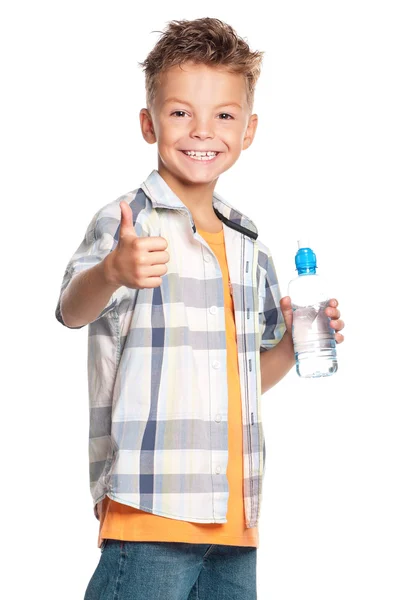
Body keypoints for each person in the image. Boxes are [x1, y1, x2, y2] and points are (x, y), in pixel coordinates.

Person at [55, 17, 345, 600]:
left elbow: (242, 379)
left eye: (224, 115)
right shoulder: (125, 222)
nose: (202, 131)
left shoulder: (248, 245)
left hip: (237, 517)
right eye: (181, 112)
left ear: (249, 130)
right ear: (149, 121)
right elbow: (70, 310)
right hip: (149, 508)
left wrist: (292, 345)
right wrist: (113, 270)